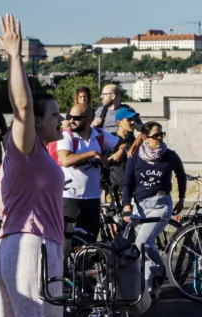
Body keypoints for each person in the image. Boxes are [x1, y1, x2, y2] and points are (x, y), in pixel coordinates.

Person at [0, 14, 66, 317]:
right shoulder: (26, 146)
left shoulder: (35, 156)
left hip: (11, 247)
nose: (62, 120)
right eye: (55, 114)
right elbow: (20, 105)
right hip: (33, 248)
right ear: (36, 122)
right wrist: (15, 57)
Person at [122, 122, 186, 298]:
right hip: (140, 206)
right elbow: (127, 183)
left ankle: (161, 269)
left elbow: (181, 175)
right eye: (155, 136)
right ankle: (149, 289)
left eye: (161, 135)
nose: (159, 139)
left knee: (142, 243)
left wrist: (181, 198)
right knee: (143, 250)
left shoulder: (169, 156)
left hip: (161, 204)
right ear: (144, 137)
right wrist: (126, 206)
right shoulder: (134, 158)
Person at [56, 104, 121, 241]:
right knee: (68, 241)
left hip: (93, 197)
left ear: (89, 119)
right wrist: (92, 154)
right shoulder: (67, 136)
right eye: (70, 117)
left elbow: (121, 143)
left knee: (90, 241)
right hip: (70, 197)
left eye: (77, 118)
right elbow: (65, 160)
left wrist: (120, 152)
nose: (71, 120)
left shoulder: (99, 134)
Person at [110, 107, 140, 198]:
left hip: (135, 189)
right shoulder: (110, 139)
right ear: (119, 123)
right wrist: (121, 150)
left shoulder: (134, 141)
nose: (132, 122)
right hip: (117, 191)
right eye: (128, 120)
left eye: (133, 119)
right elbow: (105, 161)